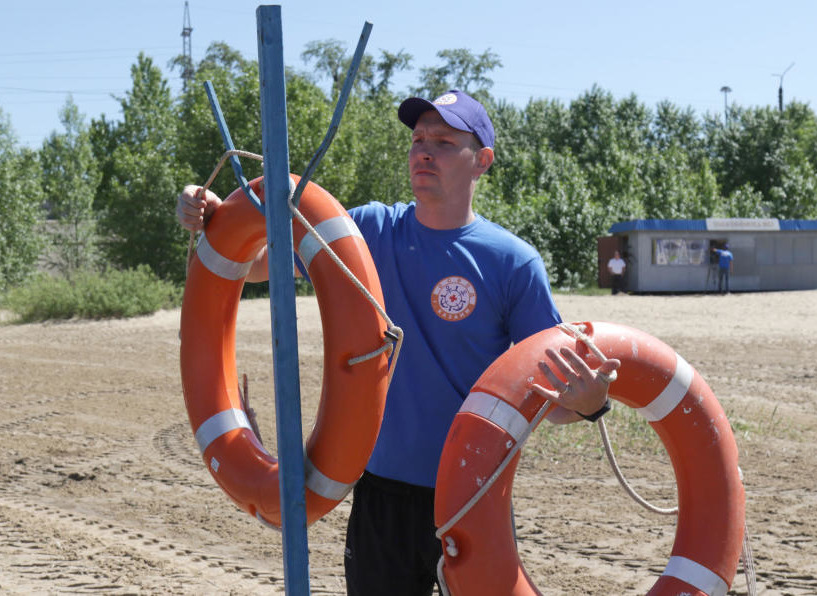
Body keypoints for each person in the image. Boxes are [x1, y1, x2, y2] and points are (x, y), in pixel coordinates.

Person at [175, 90, 619, 596]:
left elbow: (548, 398)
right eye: (418, 139)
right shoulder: (365, 230)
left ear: (483, 162)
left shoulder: (512, 263)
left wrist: (589, 405)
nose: (424, 151)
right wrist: (212, 216)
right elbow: (255, 266)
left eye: (446, 142)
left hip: (472, 498)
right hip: (379, 494)